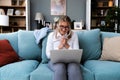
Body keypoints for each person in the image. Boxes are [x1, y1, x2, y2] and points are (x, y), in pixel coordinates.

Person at [46, 15, 83, 80]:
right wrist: (59, 47)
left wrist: (67, 45)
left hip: (71, 61)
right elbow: (48, 55)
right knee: (60, 68)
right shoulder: (51, 36)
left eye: (66, 27)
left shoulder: (74, 35)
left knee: (74, 69)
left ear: (69, 27)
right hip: (56, 62)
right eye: (61, 26)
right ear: (58, 25)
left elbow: (77, 54)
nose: (64, 29)